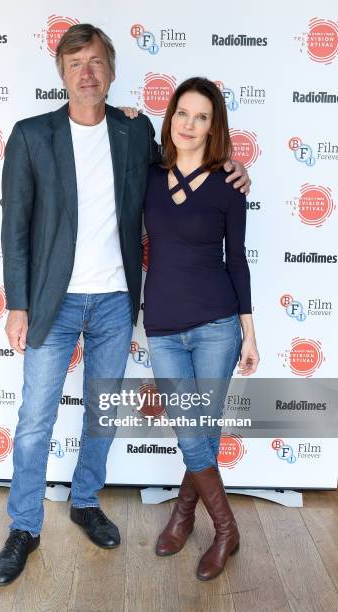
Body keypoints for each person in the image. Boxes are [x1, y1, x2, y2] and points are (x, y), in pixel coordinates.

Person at [0, 24, 251, 586]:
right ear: (62, 74)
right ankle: (24, 527)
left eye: (97, 62)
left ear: (111, 70)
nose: (87, 72)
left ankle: (85, 500)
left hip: (115, 301)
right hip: (51, 304)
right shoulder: (32, 136)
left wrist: (235, 168)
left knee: (101, 417)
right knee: (34, 421)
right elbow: (14, 228)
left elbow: (188, 165)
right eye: (75, 63)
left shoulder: (134, 134)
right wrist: (17, 303)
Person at [143, 77, 260, 580]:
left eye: (202, 117)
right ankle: (224, 528)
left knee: (200, 432)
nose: (190, 125)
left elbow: (238, 262)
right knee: (192, 431)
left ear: (215, 127)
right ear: (170, 118)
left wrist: (249, 333)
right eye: (182, 114)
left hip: (217, 326)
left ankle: (186, 514)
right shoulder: (147, 173)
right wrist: (125, 111)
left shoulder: (230, 185)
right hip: (164, 325)